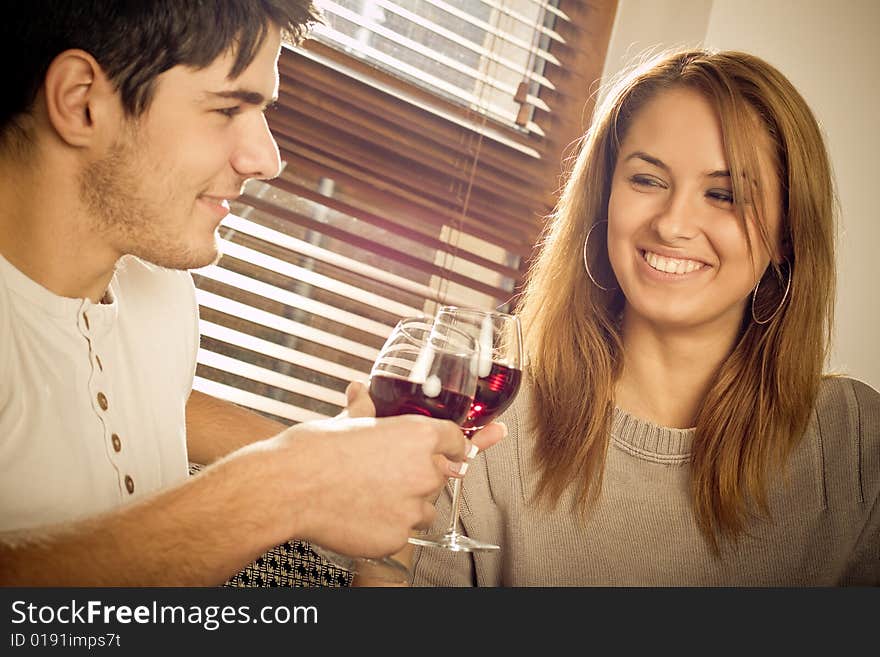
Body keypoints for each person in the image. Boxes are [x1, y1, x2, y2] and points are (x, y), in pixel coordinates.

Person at [0, 0, 505, 586]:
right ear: (81, 100)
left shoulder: (162, 299)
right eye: (225, 109)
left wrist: (346, 469)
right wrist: (284, 483)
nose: (267, 160)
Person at [410, 48, 879, 586]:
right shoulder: (488, 430)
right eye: (647, 181)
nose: (674, 224)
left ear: (786, 235)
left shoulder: (858, 443)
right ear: (605, 198)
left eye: (723, 194)